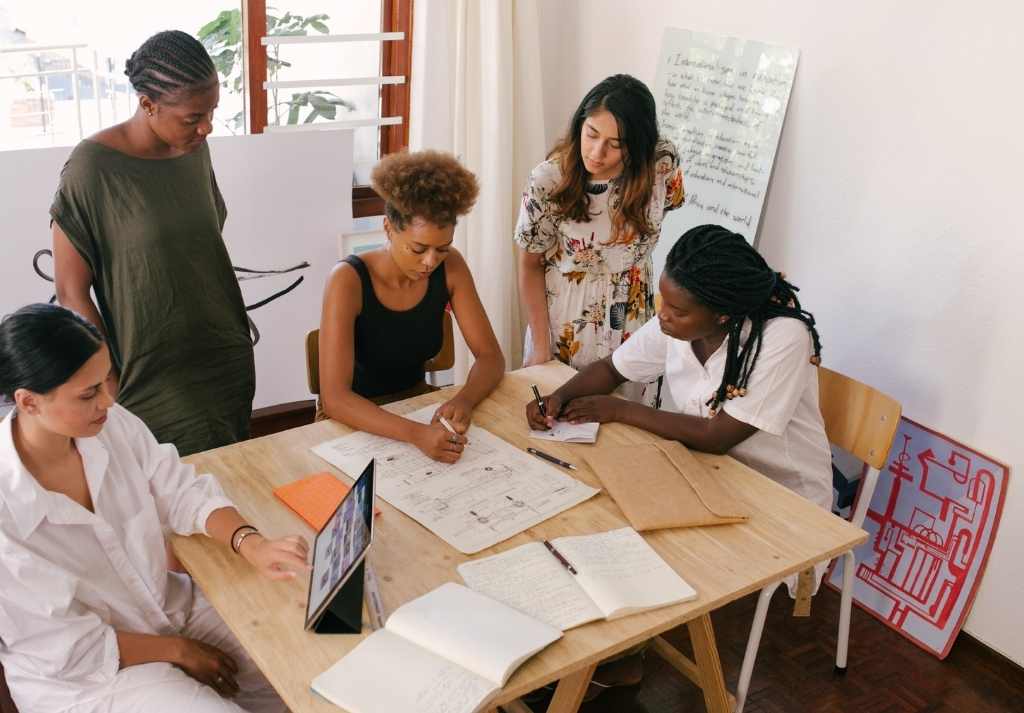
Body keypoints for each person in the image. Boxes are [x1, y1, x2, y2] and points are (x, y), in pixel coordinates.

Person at [0, 303, 310, 713]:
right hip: (86, 678)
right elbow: (64, 646)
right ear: (29, 402)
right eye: (89, 393)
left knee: (299, 665)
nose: (108, 401)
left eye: (106, 380)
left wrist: (249, 542)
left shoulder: (109, 423)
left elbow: (178, 489)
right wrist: (178, 651)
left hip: (166, 607)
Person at [527, 224, 833, 511]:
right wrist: (559, 398)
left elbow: (717, 437)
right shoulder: (677, 324)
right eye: (665, 303)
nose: (662, 316)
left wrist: (620, 410)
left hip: (786, 500)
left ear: (722, 314)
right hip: (711, 475)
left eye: (677, 310)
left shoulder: (783, 336)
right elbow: (611, 369)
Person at [50, 30, 254, 456]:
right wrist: (105, 378)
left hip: (223, 352)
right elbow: (71, 291)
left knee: (231, 478)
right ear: (148, 104)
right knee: (170, 493)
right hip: (151, 370)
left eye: (212, 110)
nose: (206, 126)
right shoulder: (92, 169)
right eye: (192, 117)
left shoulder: (193, 147)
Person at [318, 150, 505, 463]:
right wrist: (417, 435)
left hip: (415, 406)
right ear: (389, 228)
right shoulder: (347, 280)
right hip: (352, 420)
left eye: (442, 249)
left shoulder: (451, 268)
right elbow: (335, 399)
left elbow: (490, 357)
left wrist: (464, 400)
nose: (430, 261)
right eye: (418, 249)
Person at [515, 73, 685, 402]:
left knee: (629, 432)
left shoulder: (661, 166)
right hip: (566, 324)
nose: (596, 152)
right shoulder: (548, 181)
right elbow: (529, 265)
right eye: (591, 134)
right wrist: (540, 346)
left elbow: (669, 205)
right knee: (559, 421)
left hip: (634, 322)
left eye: (615, 144)